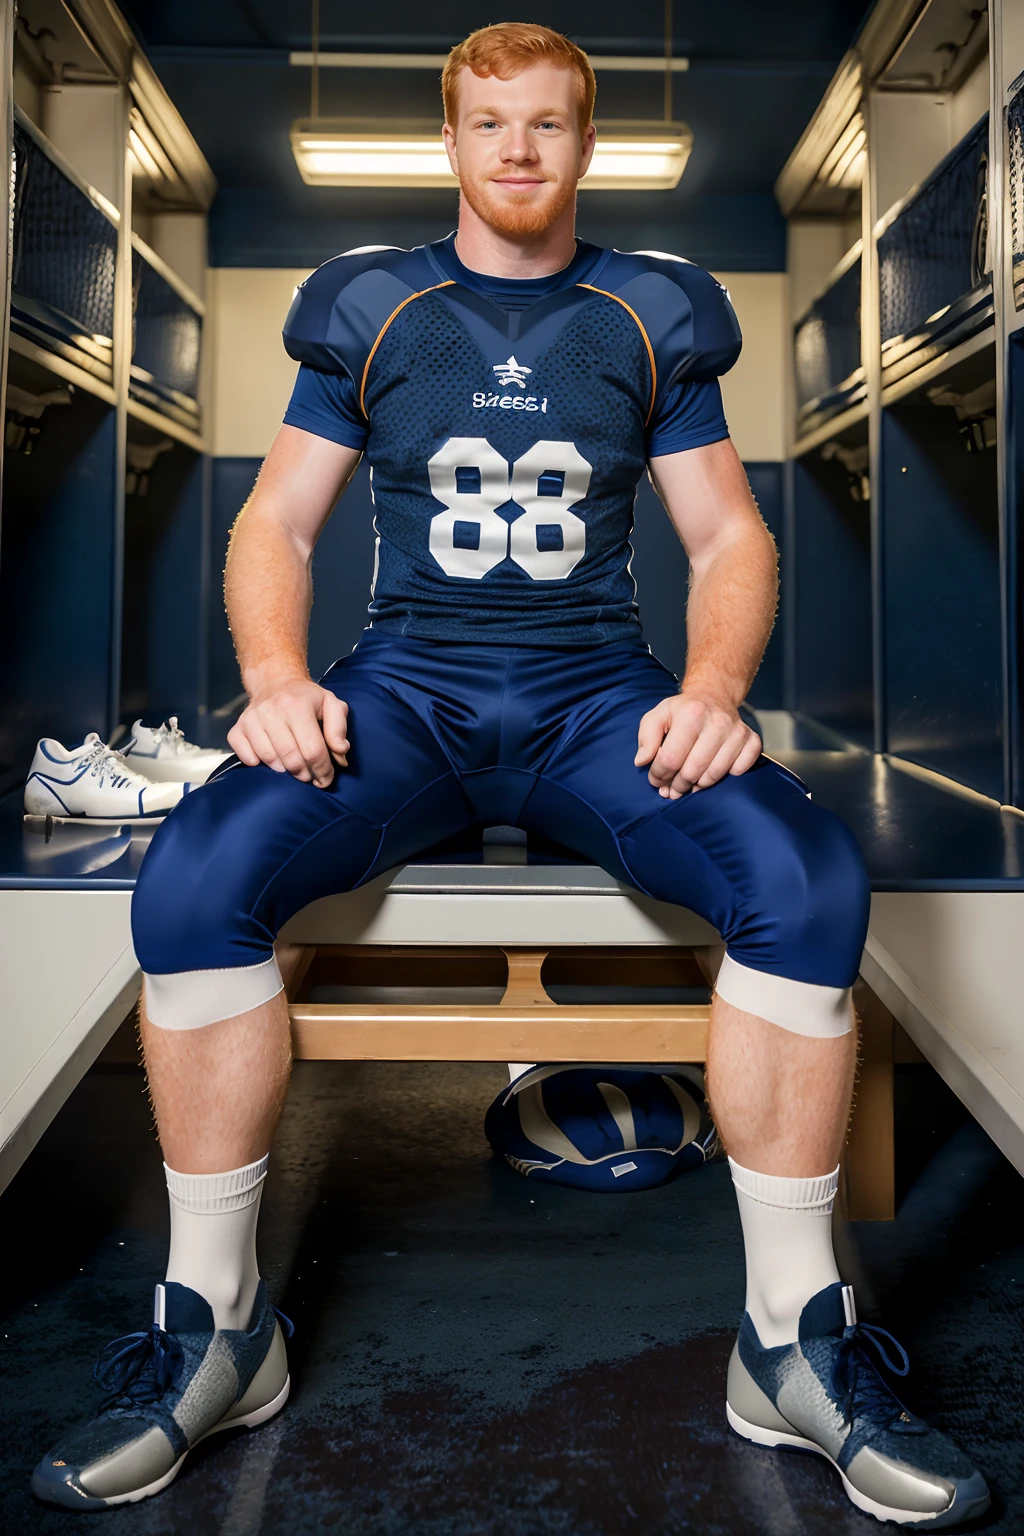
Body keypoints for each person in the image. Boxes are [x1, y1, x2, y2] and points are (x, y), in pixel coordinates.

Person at [33, 22, 988, 1526]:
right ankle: (213, 1328)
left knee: (806, 880)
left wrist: (716, 691)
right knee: (200, 874)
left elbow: (730, 538)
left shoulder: (653, 311)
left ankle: (791, 1343)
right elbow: (274, 524)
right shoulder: (371, 302)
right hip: (403, 692)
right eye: (492, 123)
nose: (521, 149)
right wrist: (279, 687)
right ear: (454, 138)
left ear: (586, 142)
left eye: (550, 123)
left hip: (592, 698)